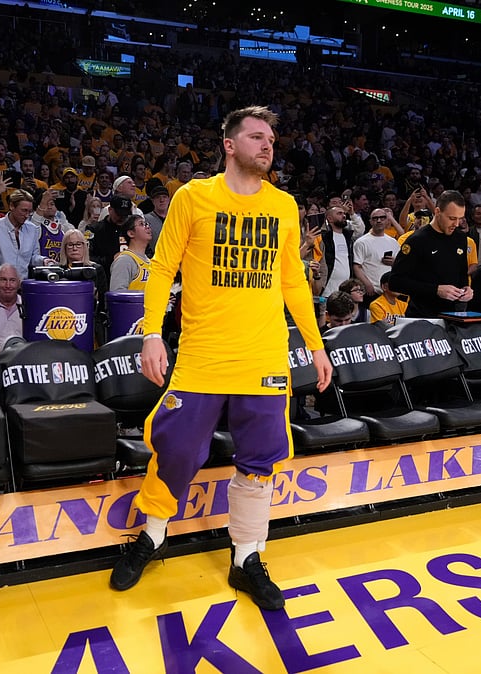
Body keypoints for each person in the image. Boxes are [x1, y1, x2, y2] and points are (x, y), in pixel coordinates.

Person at [109, 106, 332, 612]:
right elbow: (162, 267)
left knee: (261, 460)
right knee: (178, 446)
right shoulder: (194, 197)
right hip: (204, 354)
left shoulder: (285, 206)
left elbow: (293, 281)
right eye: (256, 137)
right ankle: (154, 536)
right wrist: (151, 334)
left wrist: (315, 345)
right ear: (229, 145)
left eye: (271, 138)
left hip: (265, 356)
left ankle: (246, 557)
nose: (267, 145)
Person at [388, 189, 473, 318]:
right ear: (437, 212)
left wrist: (466, 288)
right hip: (422, 316)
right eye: (452, 218)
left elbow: (461, 274)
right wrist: (436, 290)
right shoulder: (417, 240)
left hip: (452, 315)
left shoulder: (461, 238)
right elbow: (395, 282)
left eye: (460, 219)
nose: (456, 224)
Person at [0, 189, 41, 279]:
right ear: (12, 206)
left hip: (23, 285)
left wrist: (44, 261)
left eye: (30, 211)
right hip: (0, 286)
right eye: (24, 211)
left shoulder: (33, 229)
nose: (27, 215)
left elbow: (33, 257)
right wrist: (8, 279)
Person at [352, 208, 400, 300]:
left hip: (389, 291)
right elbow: (356, 267)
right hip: (371, 291)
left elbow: (400, 266)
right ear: (370, 221)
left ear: (387, 220)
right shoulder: (361, 242)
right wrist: (367, 284)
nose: (379, 221)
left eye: (382, 218)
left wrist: (394, 263)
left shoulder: (393, 242)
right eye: (375, 218)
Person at [109, 214, 152, 292]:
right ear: (131, 233)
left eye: (147, 224)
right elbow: (117, 294)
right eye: (141, 224)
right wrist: (148, 296)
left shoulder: (149, 261)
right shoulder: (124, 261)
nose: (147, 227)